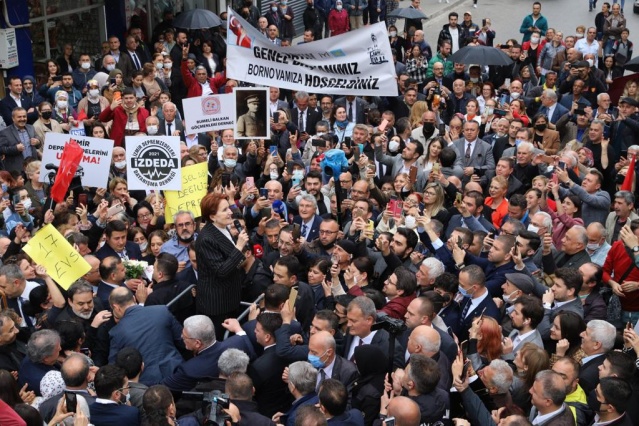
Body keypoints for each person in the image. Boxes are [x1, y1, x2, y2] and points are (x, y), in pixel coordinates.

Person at [195, 193, 249, 334]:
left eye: (228, 208)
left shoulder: (223, 228)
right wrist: (239, 247)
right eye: (225, 210)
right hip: (217, 304)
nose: (230, 212)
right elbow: (221, 271)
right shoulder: (206, 238)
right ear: (212, 216)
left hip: (230, 298)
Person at [107, 287, 184, 386]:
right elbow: (183, 340)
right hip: (176, 373)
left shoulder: (117, 332)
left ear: (116, 307)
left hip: (146, 384)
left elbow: (114, 367)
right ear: (134, 299)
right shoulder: (162, 311)